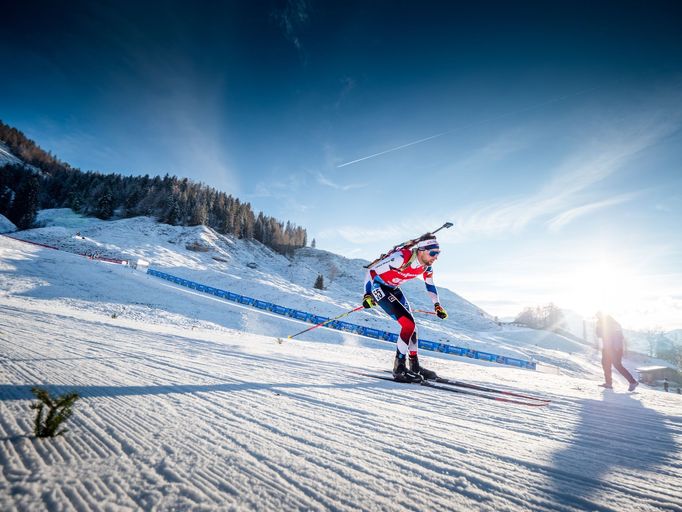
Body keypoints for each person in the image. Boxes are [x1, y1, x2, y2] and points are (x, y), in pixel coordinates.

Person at [362, 235, 448, 382]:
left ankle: (414, 366)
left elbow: (430, 285)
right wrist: (367, 295)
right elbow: (371, 272)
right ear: (421, 250)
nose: (436, 257)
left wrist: (437, 305)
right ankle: (399, 368)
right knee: (408, 324)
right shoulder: (401, 257)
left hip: (393, 289)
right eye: (433, 253)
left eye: (438, 253)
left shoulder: (426, 266)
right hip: (379, 287)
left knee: (412, 328)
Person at [595, 312, 638, 391]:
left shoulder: (610, 324)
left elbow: (615, 336)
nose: (597, 318)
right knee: (606, 364)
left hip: (613, 348)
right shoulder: (607, 323)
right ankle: (609, 383)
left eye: (598, 316)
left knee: (616, 365)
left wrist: (616, 348)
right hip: (609, 348)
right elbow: (600, 335)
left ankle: (633, 382)